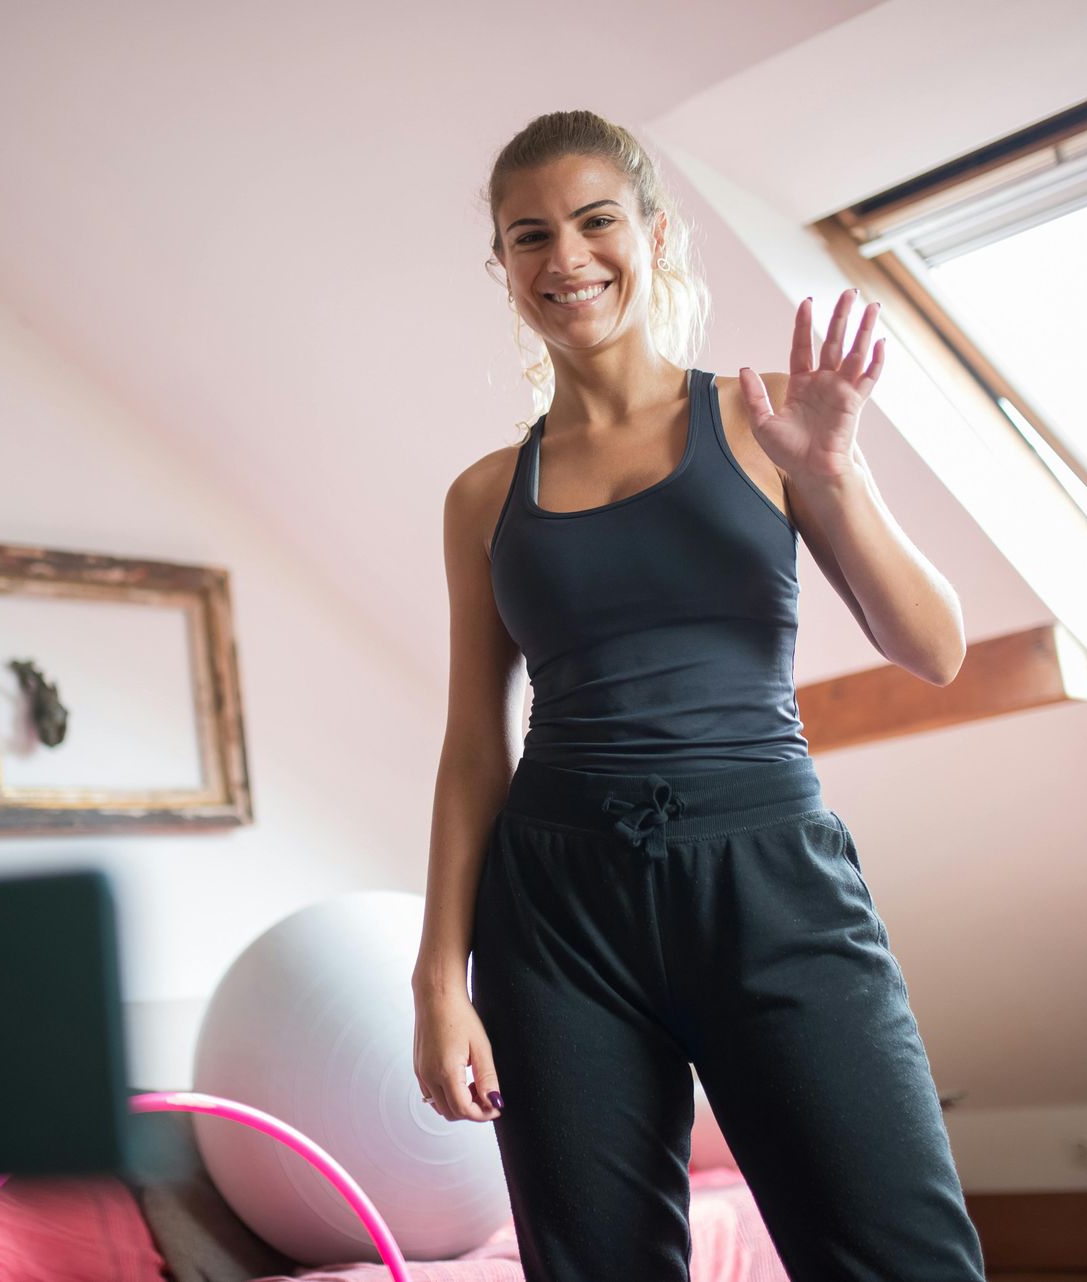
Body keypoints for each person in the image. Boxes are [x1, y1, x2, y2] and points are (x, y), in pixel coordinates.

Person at [410, 109, 987, 1282]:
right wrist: (438, 978)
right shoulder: (483, 496)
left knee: (906, 1258)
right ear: (503, 264)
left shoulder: (767, 423)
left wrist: (836, 474)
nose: (566, 257)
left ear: (656, 234)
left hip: (770, 879)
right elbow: (475, 743)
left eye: (595, 221)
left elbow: (933, 647)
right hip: (557, 917)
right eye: (531, 236)